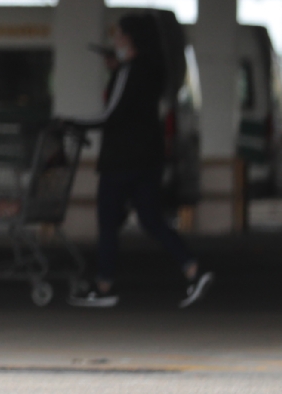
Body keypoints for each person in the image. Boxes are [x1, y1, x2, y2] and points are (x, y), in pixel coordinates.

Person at [68, 16, 214, 308]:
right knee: (151, 218)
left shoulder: (130, 71)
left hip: (122, 160)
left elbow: (112, 115)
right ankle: (192, 269)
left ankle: (104, 285)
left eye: (119, 34)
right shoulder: (153, 69)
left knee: (108, 221)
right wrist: (119, 69)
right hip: (150, 157)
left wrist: (73, 123)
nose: (115, 39)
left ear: (131, 38)